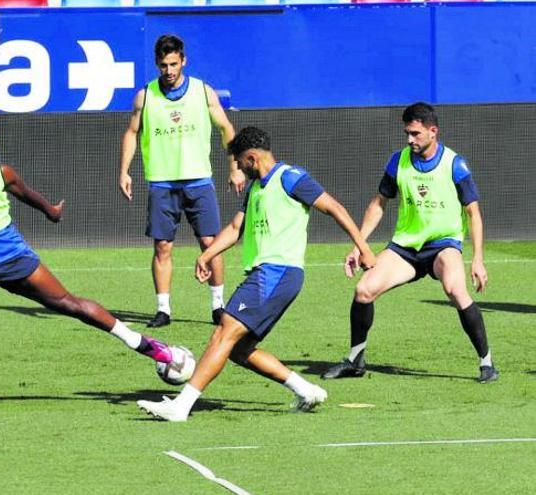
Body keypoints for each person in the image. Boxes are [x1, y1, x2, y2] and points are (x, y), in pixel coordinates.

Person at [0, 115, 187, 419]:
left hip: (15, 261)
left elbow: (26, 193)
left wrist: (51, 211)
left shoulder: (0, 171)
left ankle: (145, 344)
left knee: (71, 305)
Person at [137, 127, 377, 422]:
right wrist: (208, 255)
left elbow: (334, 208)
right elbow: (236, 228)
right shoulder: (254, 189)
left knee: (222, 333)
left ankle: (181, 406)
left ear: (251, 157)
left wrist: (362, 247)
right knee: (239, 350)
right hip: (266, 275)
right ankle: (305, 389)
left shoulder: (290, 178)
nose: (238, 168)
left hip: (277, 273)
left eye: (239, 162)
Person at [322, 102, 498, 383]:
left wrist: (477, 258)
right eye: (407, 133)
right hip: (406, 248)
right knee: (364, 290)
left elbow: (473, 212)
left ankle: (486, 363)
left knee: (455, 289)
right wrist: (359, 244)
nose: (410, 139)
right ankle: (355, 360)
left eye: (415, 134)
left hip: (443, 245)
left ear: (433, 131)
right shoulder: (398, 160)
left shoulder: (455, 164)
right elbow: (379, 203)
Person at [119, 34, 242, 329]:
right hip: (162, 183)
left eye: (174, 64)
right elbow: (131, 133)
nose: (169, 70)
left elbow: (226, 129)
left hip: (199, 181)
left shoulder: (203, 92)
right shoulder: (145, 96)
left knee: (210, 243)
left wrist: (235, 167)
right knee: (162, 246)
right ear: (157, 64)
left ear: (183, 61)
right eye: (163, 65)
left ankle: (218, 305)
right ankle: (163, 309)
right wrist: (124, 171)